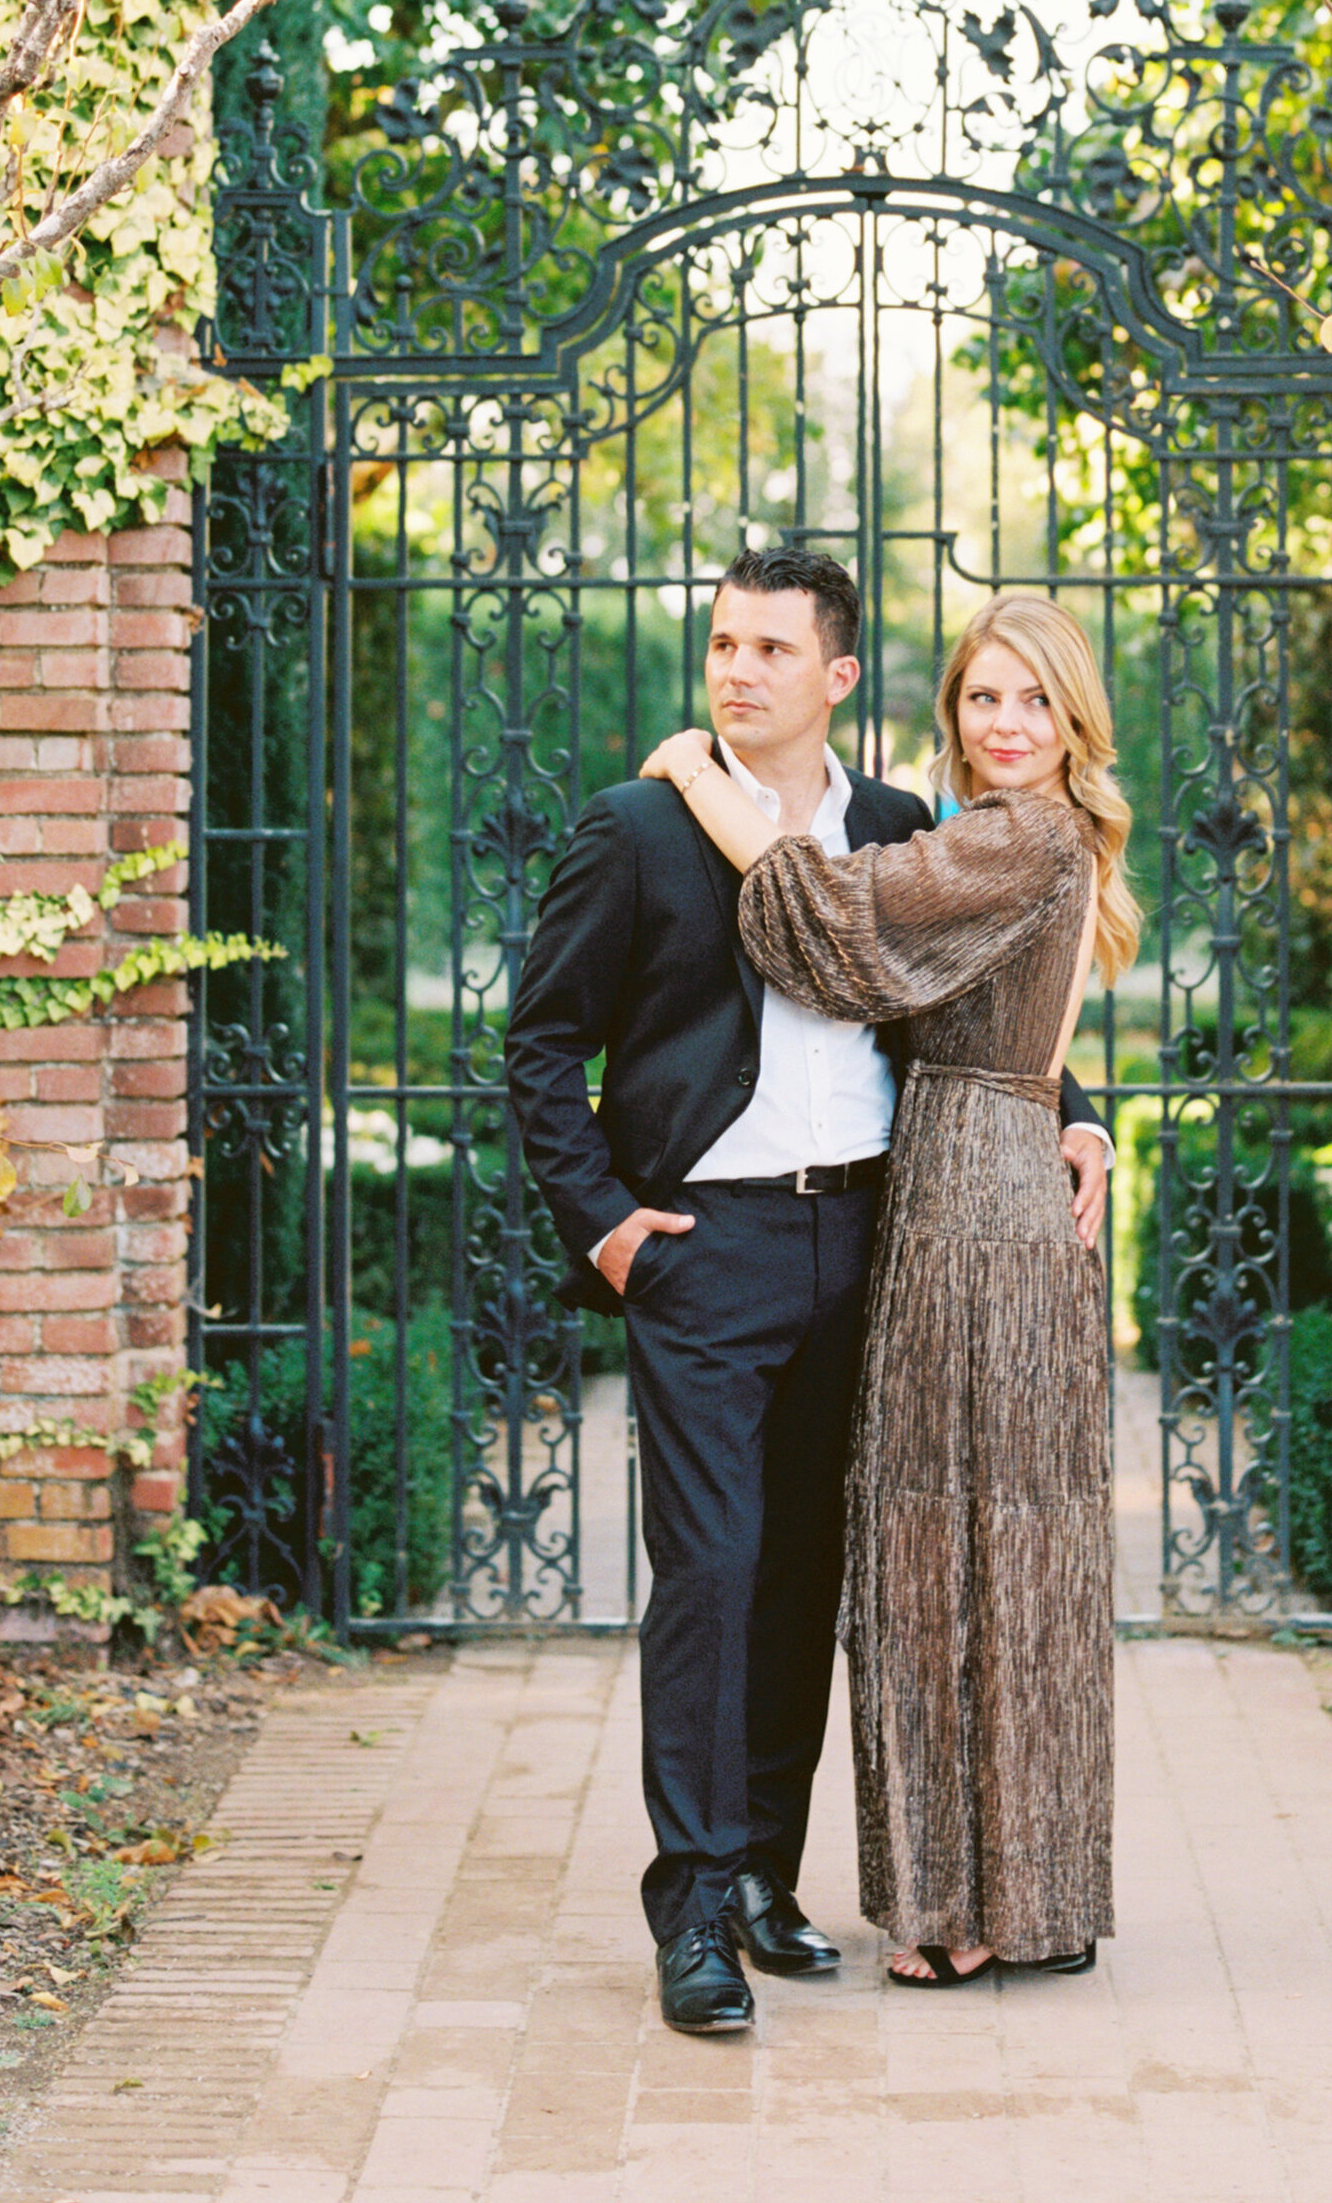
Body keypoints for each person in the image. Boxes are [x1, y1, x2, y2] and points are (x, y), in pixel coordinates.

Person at [503, 550, 1111, 2036]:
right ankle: (697, 1909)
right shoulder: (640, 829)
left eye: (774, 648)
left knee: (807, 1581)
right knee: (711, 1571)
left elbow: (979, 990)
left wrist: (1077, 1110)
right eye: (723, 645)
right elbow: (538, 1048)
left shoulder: (900, 826)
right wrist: (609, 1230)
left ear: (838, 676)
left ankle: (769, 1877)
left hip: (878, 1244)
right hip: (707, 1249)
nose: (739, 671)